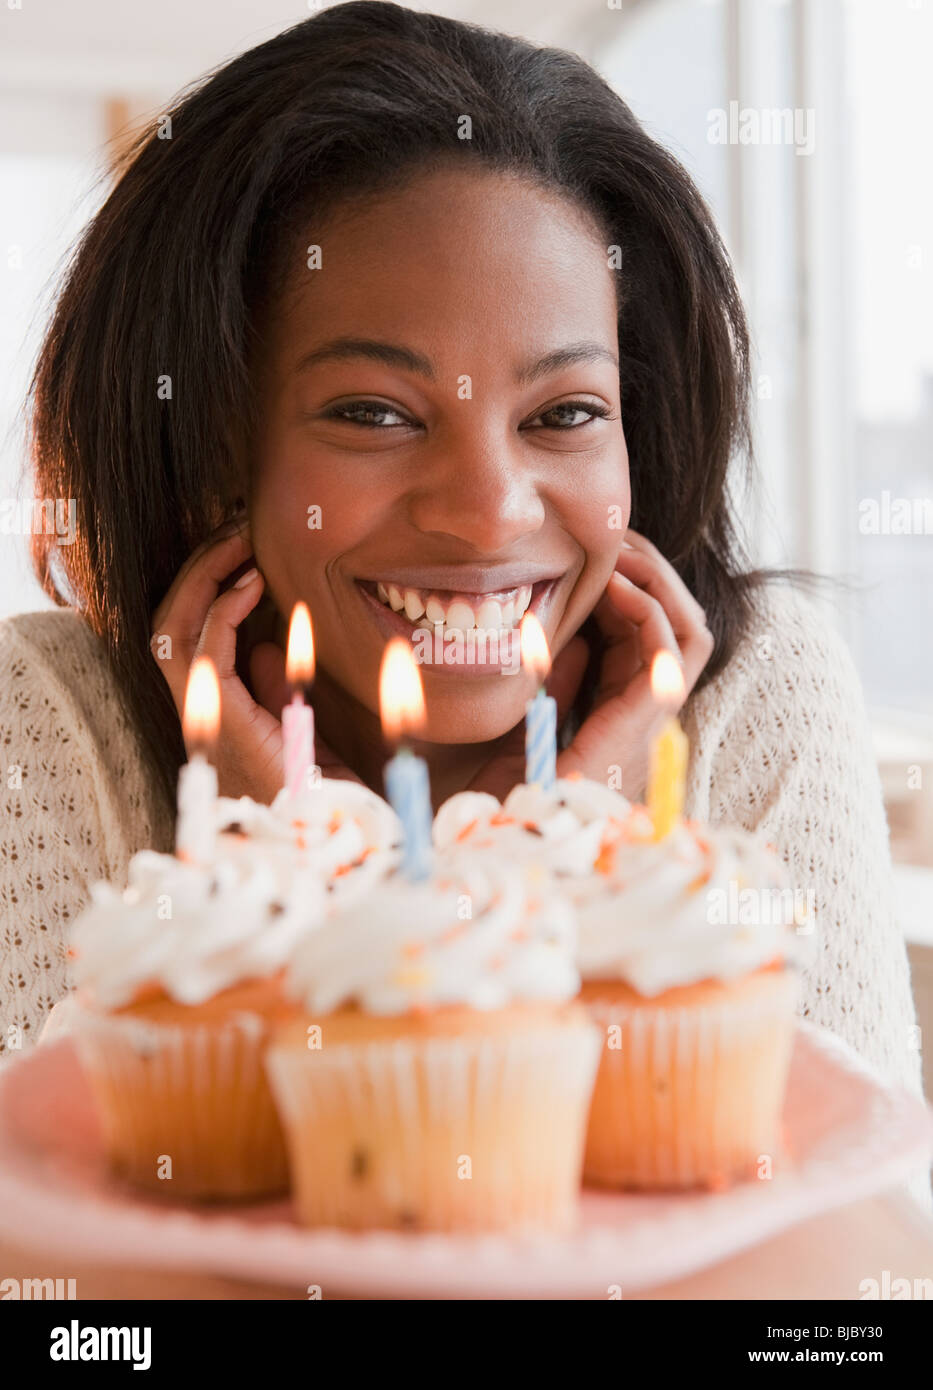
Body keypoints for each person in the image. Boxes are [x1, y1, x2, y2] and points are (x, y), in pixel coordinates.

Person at [0, 3, 923, 1153]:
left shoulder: (756, 692)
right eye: (376, 413)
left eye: (567, 413)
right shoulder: (49, 718)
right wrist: (275, 867)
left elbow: (850, 1282)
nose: (490, 510)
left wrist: (572, 854)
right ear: (221, 458)